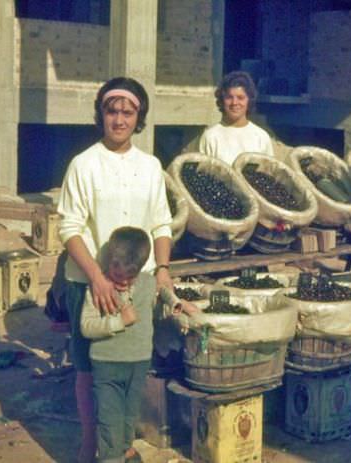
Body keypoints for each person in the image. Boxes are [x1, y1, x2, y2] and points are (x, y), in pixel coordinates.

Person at [57, 76, 176, 463]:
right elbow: (70, 228)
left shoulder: (151, 165)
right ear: (101, 114)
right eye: (112, 110)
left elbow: (161, 223)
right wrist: (96, 278)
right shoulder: (84, 164)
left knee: (130, 362)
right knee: (89, 366)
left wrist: (162, 269)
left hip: (136, 282)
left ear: (138, 118)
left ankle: (120, 444)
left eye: (128, 112)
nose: (120, 119)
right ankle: (90, 444)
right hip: (89, 280)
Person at [81, 227, 190, 462]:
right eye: (116, 276)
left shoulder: (148, 284)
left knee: (129, 416)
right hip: (107, 364)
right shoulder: (98, 288)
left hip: (138, 363)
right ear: (110, 262)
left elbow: (164, 300)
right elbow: (86, 327)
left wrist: (181, 307)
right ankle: (111, 457)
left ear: (139, 271)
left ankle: (124, 451)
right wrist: (118, 321)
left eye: (129, 278)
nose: (122, 283)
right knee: (110, 419)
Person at [198, 70, 274, 165]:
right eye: (229, 97)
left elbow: (269, 174)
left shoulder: (261, 137)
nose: (234, 103)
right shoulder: (210, 137)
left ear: (249, 100)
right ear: (222, 100)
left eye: (240, 98)